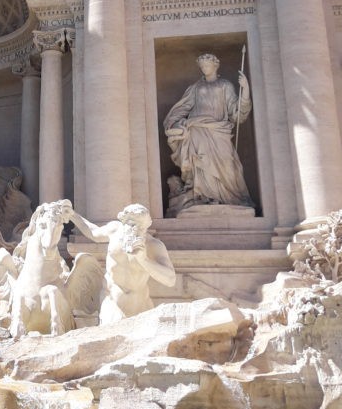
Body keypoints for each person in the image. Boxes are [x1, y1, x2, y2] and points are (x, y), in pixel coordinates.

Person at [163, 54, 253, 212]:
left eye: (208, 65)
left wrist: (245, 89)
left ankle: (230, 198)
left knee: (227, 164)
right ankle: (202, 197)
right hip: (197, 130)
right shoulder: (195, 88)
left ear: (215, 66)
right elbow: (182, 108)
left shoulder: (225, 85)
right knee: (200, 164)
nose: (205, 68)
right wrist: (174, 123)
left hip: (219, 131)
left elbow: (236, 112)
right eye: (202, 66)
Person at [69, 203, 176, 323]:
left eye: (141, 228)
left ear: (147, 226)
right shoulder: (114, 230)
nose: (136, 230)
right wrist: (72, 215)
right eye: (132, 225)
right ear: (123, 222)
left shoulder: (153, 245)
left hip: (140, 306)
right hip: (112, 302)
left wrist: (143, 259)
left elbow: (170, 280)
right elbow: (94, 232)